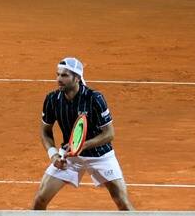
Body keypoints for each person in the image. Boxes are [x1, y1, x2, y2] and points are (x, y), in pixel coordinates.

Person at [32, 57, 134, 210]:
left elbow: (109, 134)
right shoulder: (52, 99)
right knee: (39, 201)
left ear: (77, 78)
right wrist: (53, 155)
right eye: (57, 74)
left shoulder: (95, 98)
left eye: (64, 75)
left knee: (123, 203)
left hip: (100, 156)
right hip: (69, 157)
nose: (59, 79)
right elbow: (45, 131)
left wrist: (81, 145)